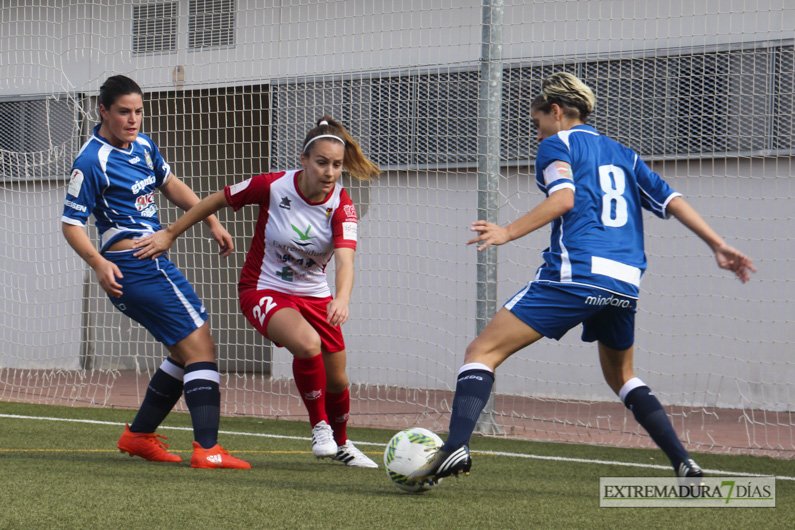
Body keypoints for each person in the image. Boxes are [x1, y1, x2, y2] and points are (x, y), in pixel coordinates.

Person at [408, 72, 756, 484]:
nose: (537, 135)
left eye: (537, 124)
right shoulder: (624, 153)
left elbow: (564, 198)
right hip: (625, 281)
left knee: (481, 352)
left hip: (577, 275)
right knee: (622, 376)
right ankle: (684, 462)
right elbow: (672, 199)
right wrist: (717, 243)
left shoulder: (558, 144)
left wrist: (507, 231)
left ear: (556, 112)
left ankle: (455, 446)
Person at [132, 116, 382, 468]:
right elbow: (215, 200)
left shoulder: (342, 205)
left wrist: (341, 298)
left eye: (337, 165)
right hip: (263, 289)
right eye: (322, 162)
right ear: (303, 160)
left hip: (316, 297)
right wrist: (171, 233)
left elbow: (345, 261)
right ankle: (320, 428)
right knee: (307, 344)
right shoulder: (274, 186)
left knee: (338, 380)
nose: (329, 172)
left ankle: (342, 444)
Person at [61, 75, 249, 469]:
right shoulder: (90, 161)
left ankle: (139, 435)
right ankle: (207, 450)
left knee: (184, 353)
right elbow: (71, 223)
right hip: (136, 264)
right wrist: (98, 262)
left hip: (150, 263)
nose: (133, 120)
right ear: (103, 112)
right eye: (124, 112)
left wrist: (212, 221)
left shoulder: (143, 145)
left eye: (139, 111)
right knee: (202, 349)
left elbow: (170, 184)